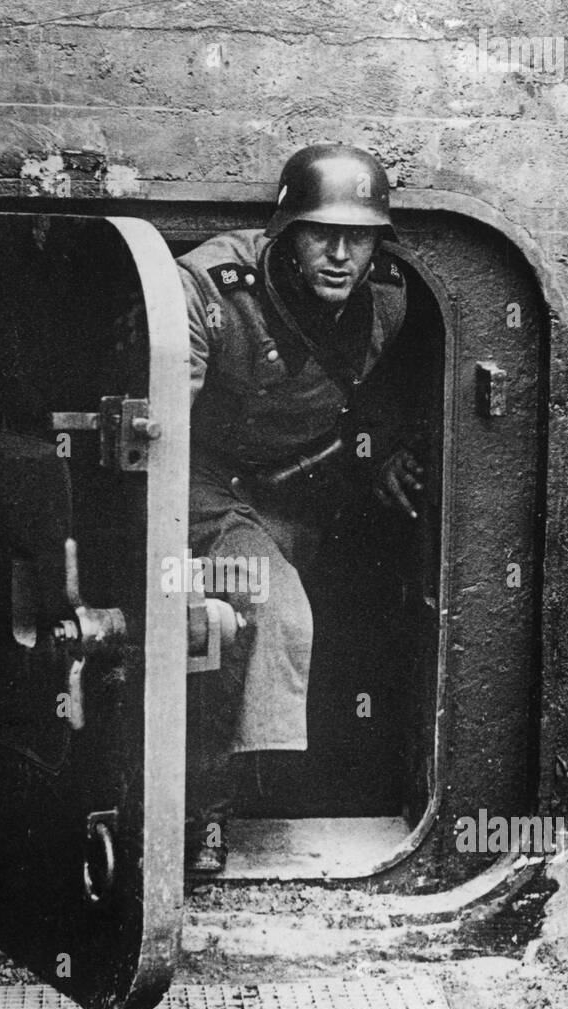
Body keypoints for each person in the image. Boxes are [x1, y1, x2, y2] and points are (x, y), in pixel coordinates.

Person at [177, 143, 424, 878]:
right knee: (261, 614)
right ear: (285, 231)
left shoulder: (390, 298)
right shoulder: (209, 290)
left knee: (359, 607)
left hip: (303, 494)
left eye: (361, 236)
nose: (343, 254)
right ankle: (203, 816)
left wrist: (384, 457)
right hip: (204, 488)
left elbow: (376, 399)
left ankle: (326, 787)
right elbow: (155, 422)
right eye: (323, 233)